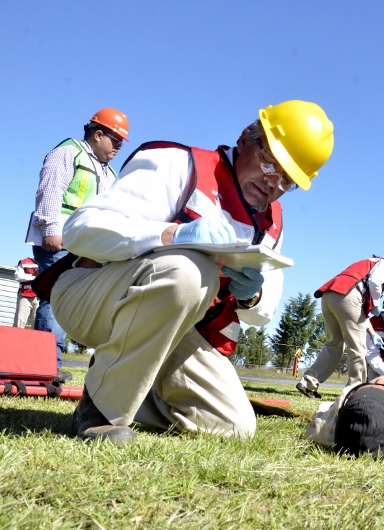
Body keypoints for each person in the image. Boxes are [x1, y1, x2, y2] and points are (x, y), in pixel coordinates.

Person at [45, 100, 334, 444]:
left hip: (176, 331)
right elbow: (80, 230)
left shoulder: (272, 222)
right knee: (191, 271)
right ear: (245, 139)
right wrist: (171, 234)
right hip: (90, 295)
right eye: (270, 162)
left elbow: (264, 310)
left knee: (233, 427)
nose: (273, 182)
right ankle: (102, 411)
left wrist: (252, 294)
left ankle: (129, 383)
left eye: (288, 180)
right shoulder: (179, 165)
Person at [25, 108, 129, 374]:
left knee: (79, 301)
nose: (118, 147)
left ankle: (51, 365)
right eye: (116, 140)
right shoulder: (68, 153)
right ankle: (46, 368)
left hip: (88, 246)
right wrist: (49, 228)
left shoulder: (109, 173)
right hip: (59, 241)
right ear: (98, 135)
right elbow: (50, 189)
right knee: (55, 298)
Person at [297, 256, 384, 397]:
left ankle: (308, 382)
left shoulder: (365, 265)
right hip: (349, 295)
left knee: (334, 344)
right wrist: (376, 305)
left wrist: (373, 334)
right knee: (357, 348)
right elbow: (375, 282)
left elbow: (359, 315)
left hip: (330, 295)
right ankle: (355, 390)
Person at [13, 257, 39, 329]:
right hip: (25, 295)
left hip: (41, 297)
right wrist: (35, 276)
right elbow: (17, 277)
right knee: (19, 323)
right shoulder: (25, 262)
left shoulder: (49, 261)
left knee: (38, 326)